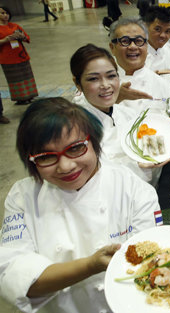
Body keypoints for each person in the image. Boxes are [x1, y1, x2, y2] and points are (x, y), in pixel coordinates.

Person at [0, 97, 161, 313]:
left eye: (75, 148)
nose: (65, 166)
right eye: (46, 156)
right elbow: (16, 279)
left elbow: (147, 267)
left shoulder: (134, 190)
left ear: (93, 142)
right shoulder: (23, 196)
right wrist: (90, 265)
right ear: (31, 160)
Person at [70, 44, 170, 206]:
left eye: (111, 76)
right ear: (77, 84)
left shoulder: (122, 113)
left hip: (144, 197)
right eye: (93, 78)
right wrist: (140, 167)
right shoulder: (75, 131)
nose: (105, 85)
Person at [108, 17, 170, 114]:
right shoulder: (99, 84)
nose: (133, 46)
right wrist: (115, 99)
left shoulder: (163, 86)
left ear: (146, 46)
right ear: (112, 48)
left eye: (139, 41)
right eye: (125, 41)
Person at [0, 6, 39, 105]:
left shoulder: (14, 26)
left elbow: (27, 37)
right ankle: (20, 98)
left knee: (27, 76)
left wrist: (22, 37)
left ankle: (30, 96)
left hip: (21, 56)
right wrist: (5, 40)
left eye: (6, 13)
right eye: (2, 13)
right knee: (15, 79)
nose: (5, 15)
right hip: (8, 59)